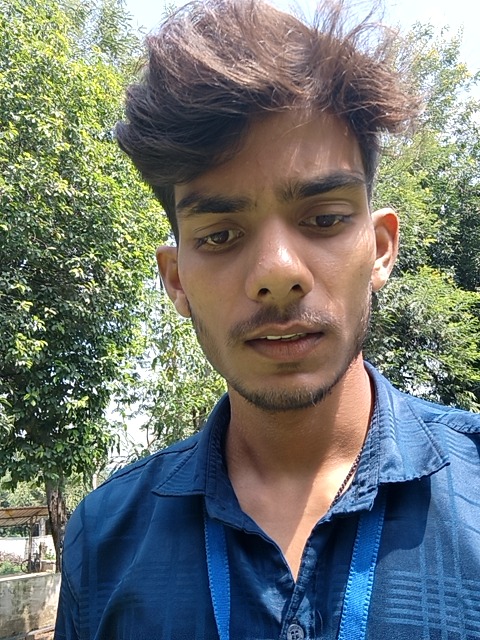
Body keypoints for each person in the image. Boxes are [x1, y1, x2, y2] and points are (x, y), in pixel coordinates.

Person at [54, 1, 480, 638]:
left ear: (380, 249)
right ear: (177, 279)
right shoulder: (103, 542)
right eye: (221, 235)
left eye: (324, 218)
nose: (278, 272)